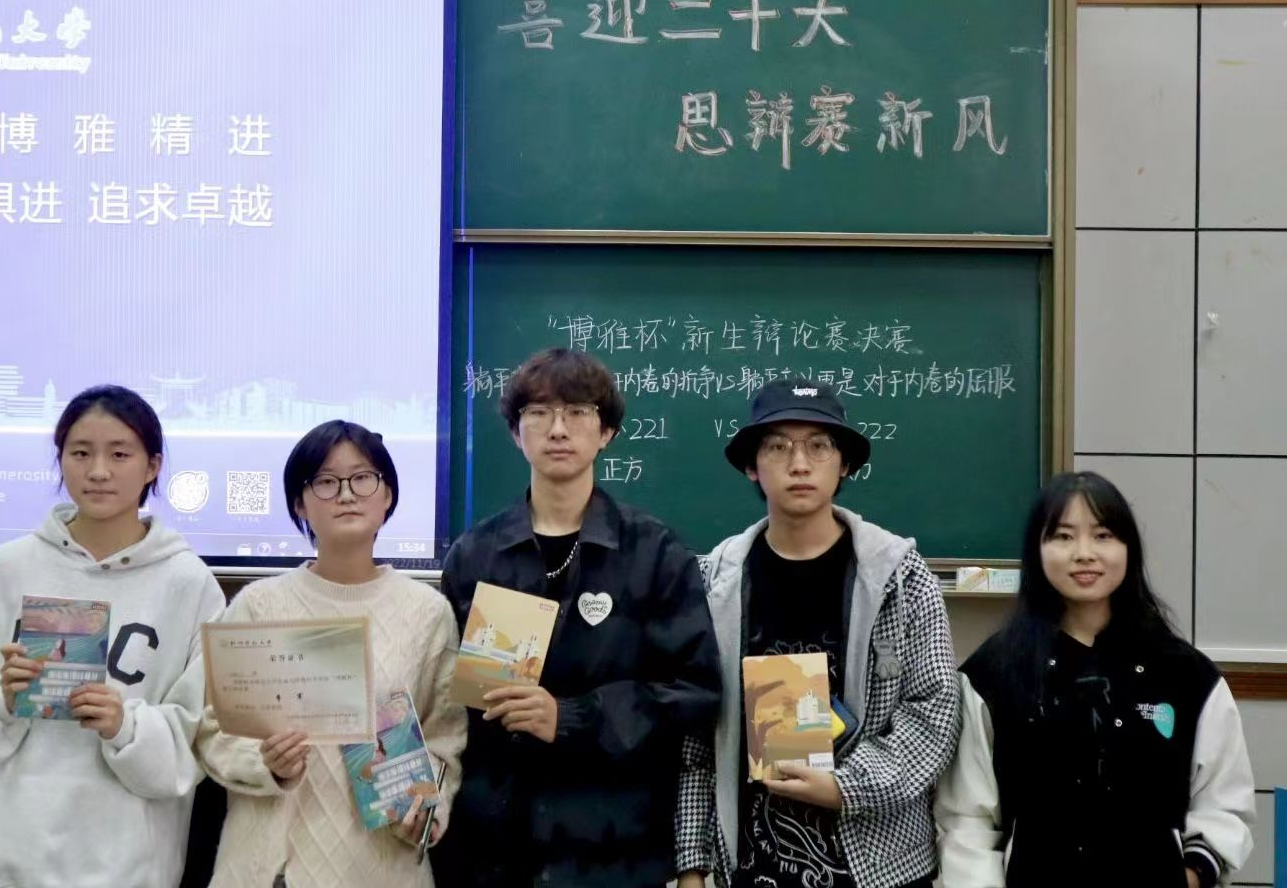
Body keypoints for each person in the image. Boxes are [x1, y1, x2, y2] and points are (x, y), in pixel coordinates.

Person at [432, 347, 721, 888]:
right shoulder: (475, 555)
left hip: (614, 849)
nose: (558, 429)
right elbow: (446, 703)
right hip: (492, 850)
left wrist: (573, 717)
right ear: (516, 433)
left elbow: (694, 691)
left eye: (577, 412)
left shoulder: (655, 553)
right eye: (538, 413)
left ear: (606, 431)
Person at [0, 384, 226, 888]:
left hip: (122, 867)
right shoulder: (5, 569)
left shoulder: (189, 586)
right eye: (80, 453)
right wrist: (0, 697)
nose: (98, 471)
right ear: (60, 459)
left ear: (152, 466)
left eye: (119, 454)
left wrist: (125, 724)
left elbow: (197, 745)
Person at [676, 380, 960, 888]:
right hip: (750, 868)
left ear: (844, 463)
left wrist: (846, 787)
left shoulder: (900, 577)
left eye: (819, 446)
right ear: (752, 465)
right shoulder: (714, 582)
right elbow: (696, 737)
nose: (799, 464)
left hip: (880, 868)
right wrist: (692, 864)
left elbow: (934, 711)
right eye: (778, 446)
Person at [936, 470, 1256, 887]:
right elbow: (968, 822)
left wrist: (1192, 874)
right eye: (1063, 536)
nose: (1084, 553)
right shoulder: (993, 674)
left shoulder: (1187, 675)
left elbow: (1223, 803)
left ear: (1129, 549)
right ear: (1037, 551)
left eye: (1103, 535)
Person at [197, 420, 466, 888]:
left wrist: (428, 808)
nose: (345, 494)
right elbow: (211, 728)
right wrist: (266, 763)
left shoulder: (428, 612)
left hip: (382, 868)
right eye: (325, 481)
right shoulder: (258, 606)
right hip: (271, 870)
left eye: (363, 478)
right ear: (299, 503)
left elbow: (444, 736)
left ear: (387, 495)